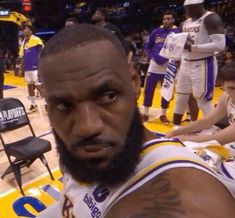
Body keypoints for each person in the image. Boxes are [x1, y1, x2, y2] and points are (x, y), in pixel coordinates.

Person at [38, 24, 235, 217]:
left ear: (134, 83)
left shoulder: (189, 195)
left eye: (108, 96)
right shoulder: (79, 157)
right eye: (64, 106)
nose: (87, 127)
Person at [172, 0, 225, 126]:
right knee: (181, 98)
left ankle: (212, 130)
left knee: (203, 101)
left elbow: (220, 45)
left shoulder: (211, 18)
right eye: (186, 8)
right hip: (185, 63)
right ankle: (175, 129)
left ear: (199, 6)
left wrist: (193, 47)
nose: (187, 12)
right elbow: (180, 43)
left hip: (204, 63)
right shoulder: (185, 23)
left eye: (190, 8)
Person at [167, 62, 235, 144]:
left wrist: (184, 138)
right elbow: (208, 120)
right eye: (232, 88)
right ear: (222, 85)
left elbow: (219, 139)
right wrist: (177, 132)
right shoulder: (226, 97)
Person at [142, 11, 179, 124]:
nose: (166, 21)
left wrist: (171, 58)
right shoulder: (156, 32)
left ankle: (163, 115)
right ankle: (145, 113)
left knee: (166, 92)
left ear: (173, 20)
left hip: (169, 67)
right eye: (164, 19)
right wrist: (154, 56)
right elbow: (148, 47)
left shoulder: (177, 33)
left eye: (168, 18)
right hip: (154, 66)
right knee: (149, 90)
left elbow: (179, 49)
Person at [19, 25, 45, 113]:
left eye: (26, 29)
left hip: (35, 67)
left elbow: (41, 54)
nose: (24, 31)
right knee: (29, 87)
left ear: (31, 31)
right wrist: (20, 68)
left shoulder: (36, 39)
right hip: (27, 68)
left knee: (39, 86)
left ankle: (47, 104)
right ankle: (33, 105)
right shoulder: (24, 41)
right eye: (24, 29)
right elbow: (22, 56)